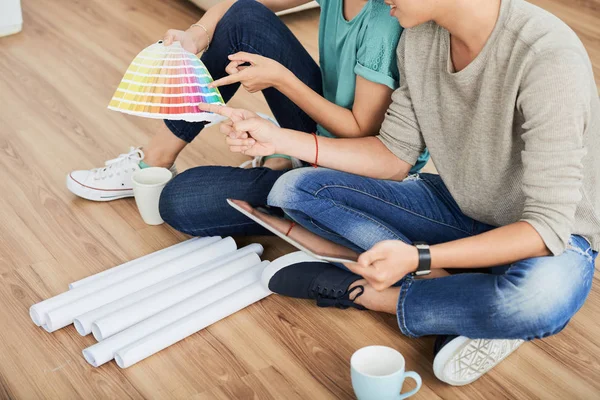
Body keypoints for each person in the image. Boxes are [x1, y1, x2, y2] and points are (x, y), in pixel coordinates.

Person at [196, 0, 600, 386]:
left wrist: (419, 256)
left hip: (553, 237)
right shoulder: (420, 38)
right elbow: (393, 156)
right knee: (296, 188)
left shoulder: (547, 57)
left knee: (536, 300)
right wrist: (276, 138)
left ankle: (372, 295)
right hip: (460, 209)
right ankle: (464, 299)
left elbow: (546, 227)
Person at [66, 0, 428, 201]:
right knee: (245, 17)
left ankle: (287, 160)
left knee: (182, 201)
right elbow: (243, 5)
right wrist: (197, 35)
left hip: (353, 157)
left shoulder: (385, 20)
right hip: (321, 124)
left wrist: (281, 79)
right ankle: (155, 161)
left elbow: (358, 131)